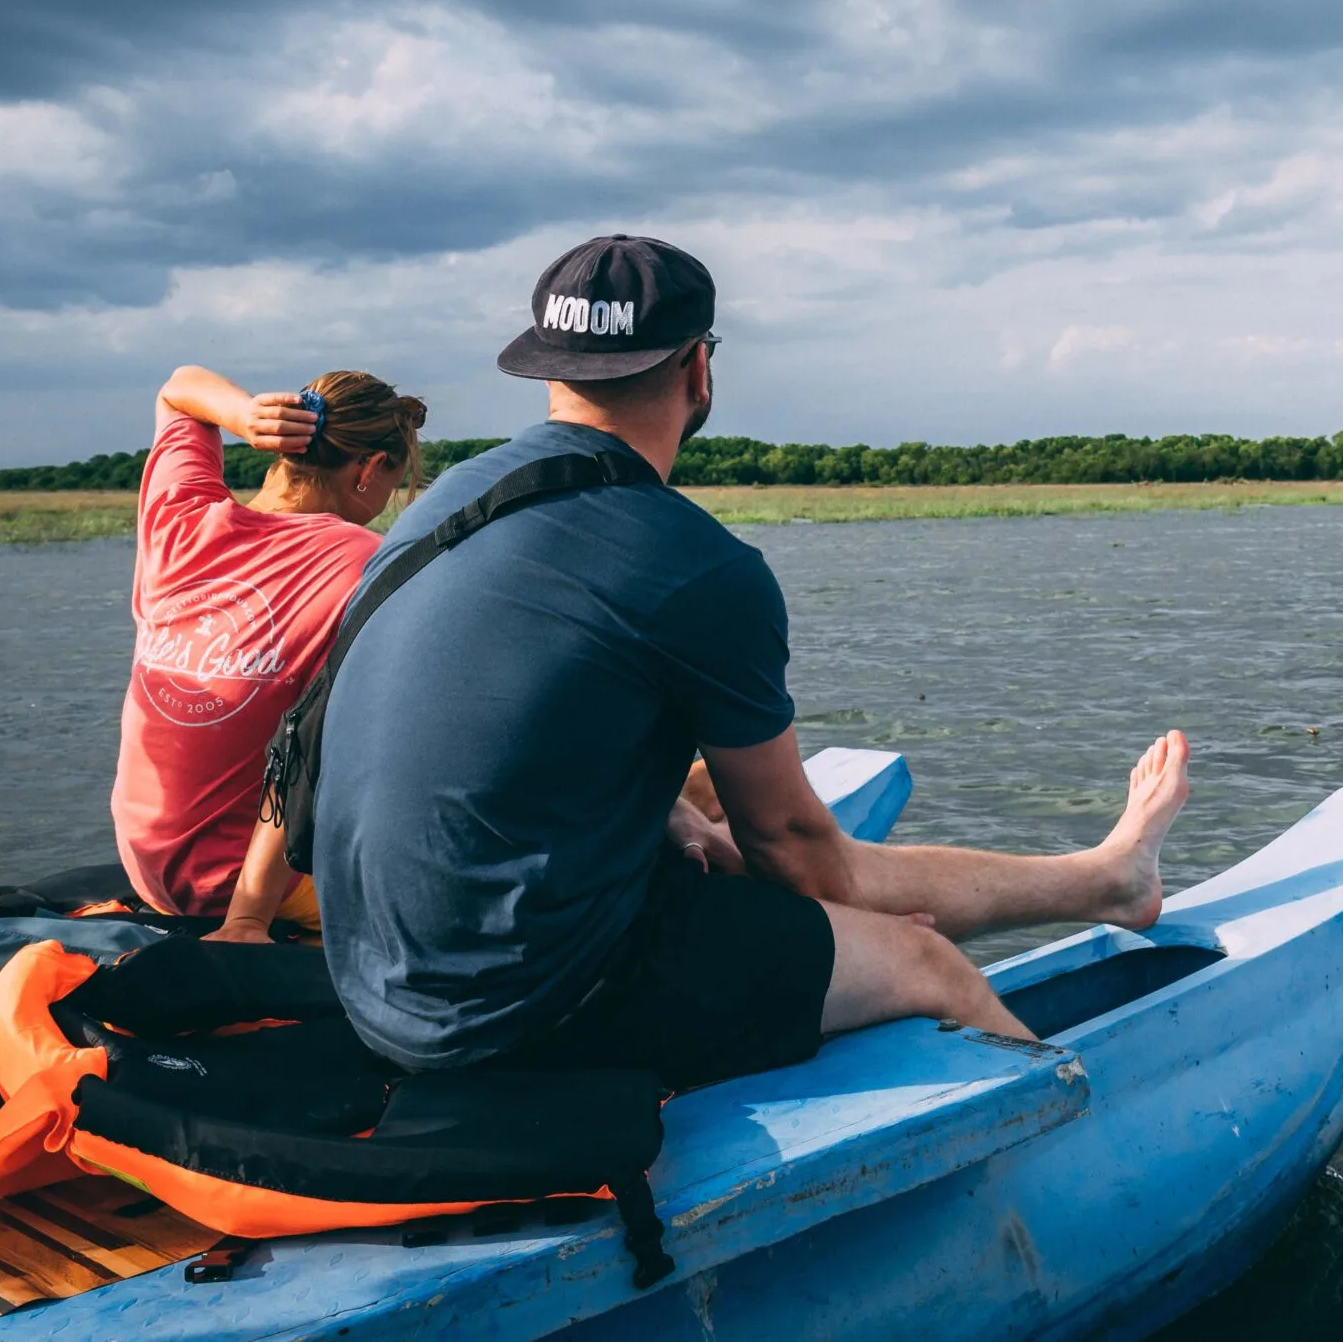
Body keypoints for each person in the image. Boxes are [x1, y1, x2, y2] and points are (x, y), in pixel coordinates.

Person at [311, 235, 1190, 1088]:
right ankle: (1102, 950)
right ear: (698, 369)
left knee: (706, 815)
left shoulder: (449, 501)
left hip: (373, 976)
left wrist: (681, 827)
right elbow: (801, 859)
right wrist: (838, 919)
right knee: (923, 959)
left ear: (549, 372)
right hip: (516, 1010)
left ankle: (1105, 880)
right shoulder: (695, 563)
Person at [114, 364, 426, 940]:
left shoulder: (180, 519)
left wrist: (243, 417)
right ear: (371, 468)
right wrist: (249, 917)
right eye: (391, 484)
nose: (384, 503)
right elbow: (310, 752)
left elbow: (178, 389)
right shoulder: (361, 562)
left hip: (146, 867)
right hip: (239, 892)